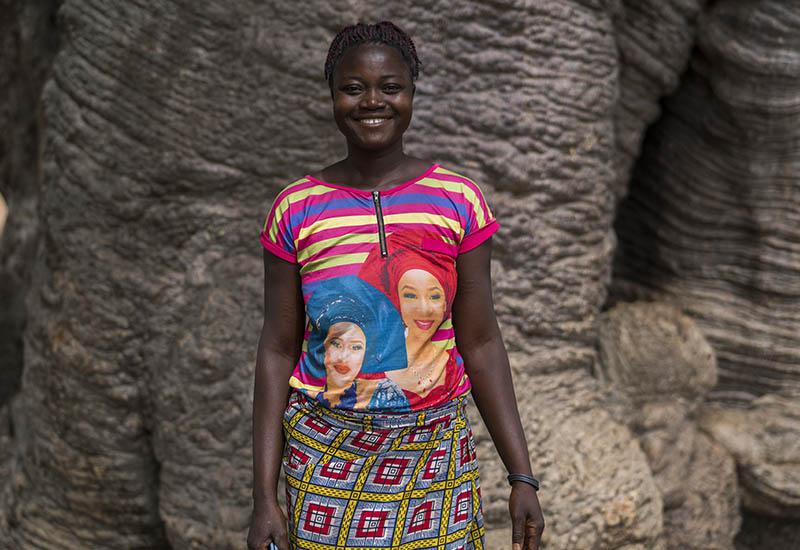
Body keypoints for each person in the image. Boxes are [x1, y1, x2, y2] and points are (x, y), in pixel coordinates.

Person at [248, 21, 544, 550]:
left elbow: (479, 342)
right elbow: (276, 349)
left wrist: (521, 477)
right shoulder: (296, 209)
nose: (372, 102)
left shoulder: (458, 201)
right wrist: (264, 497)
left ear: (412, 92)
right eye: (353, 87)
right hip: (327, 462)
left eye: (391, 87)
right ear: (332, 95)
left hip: (435, 459)